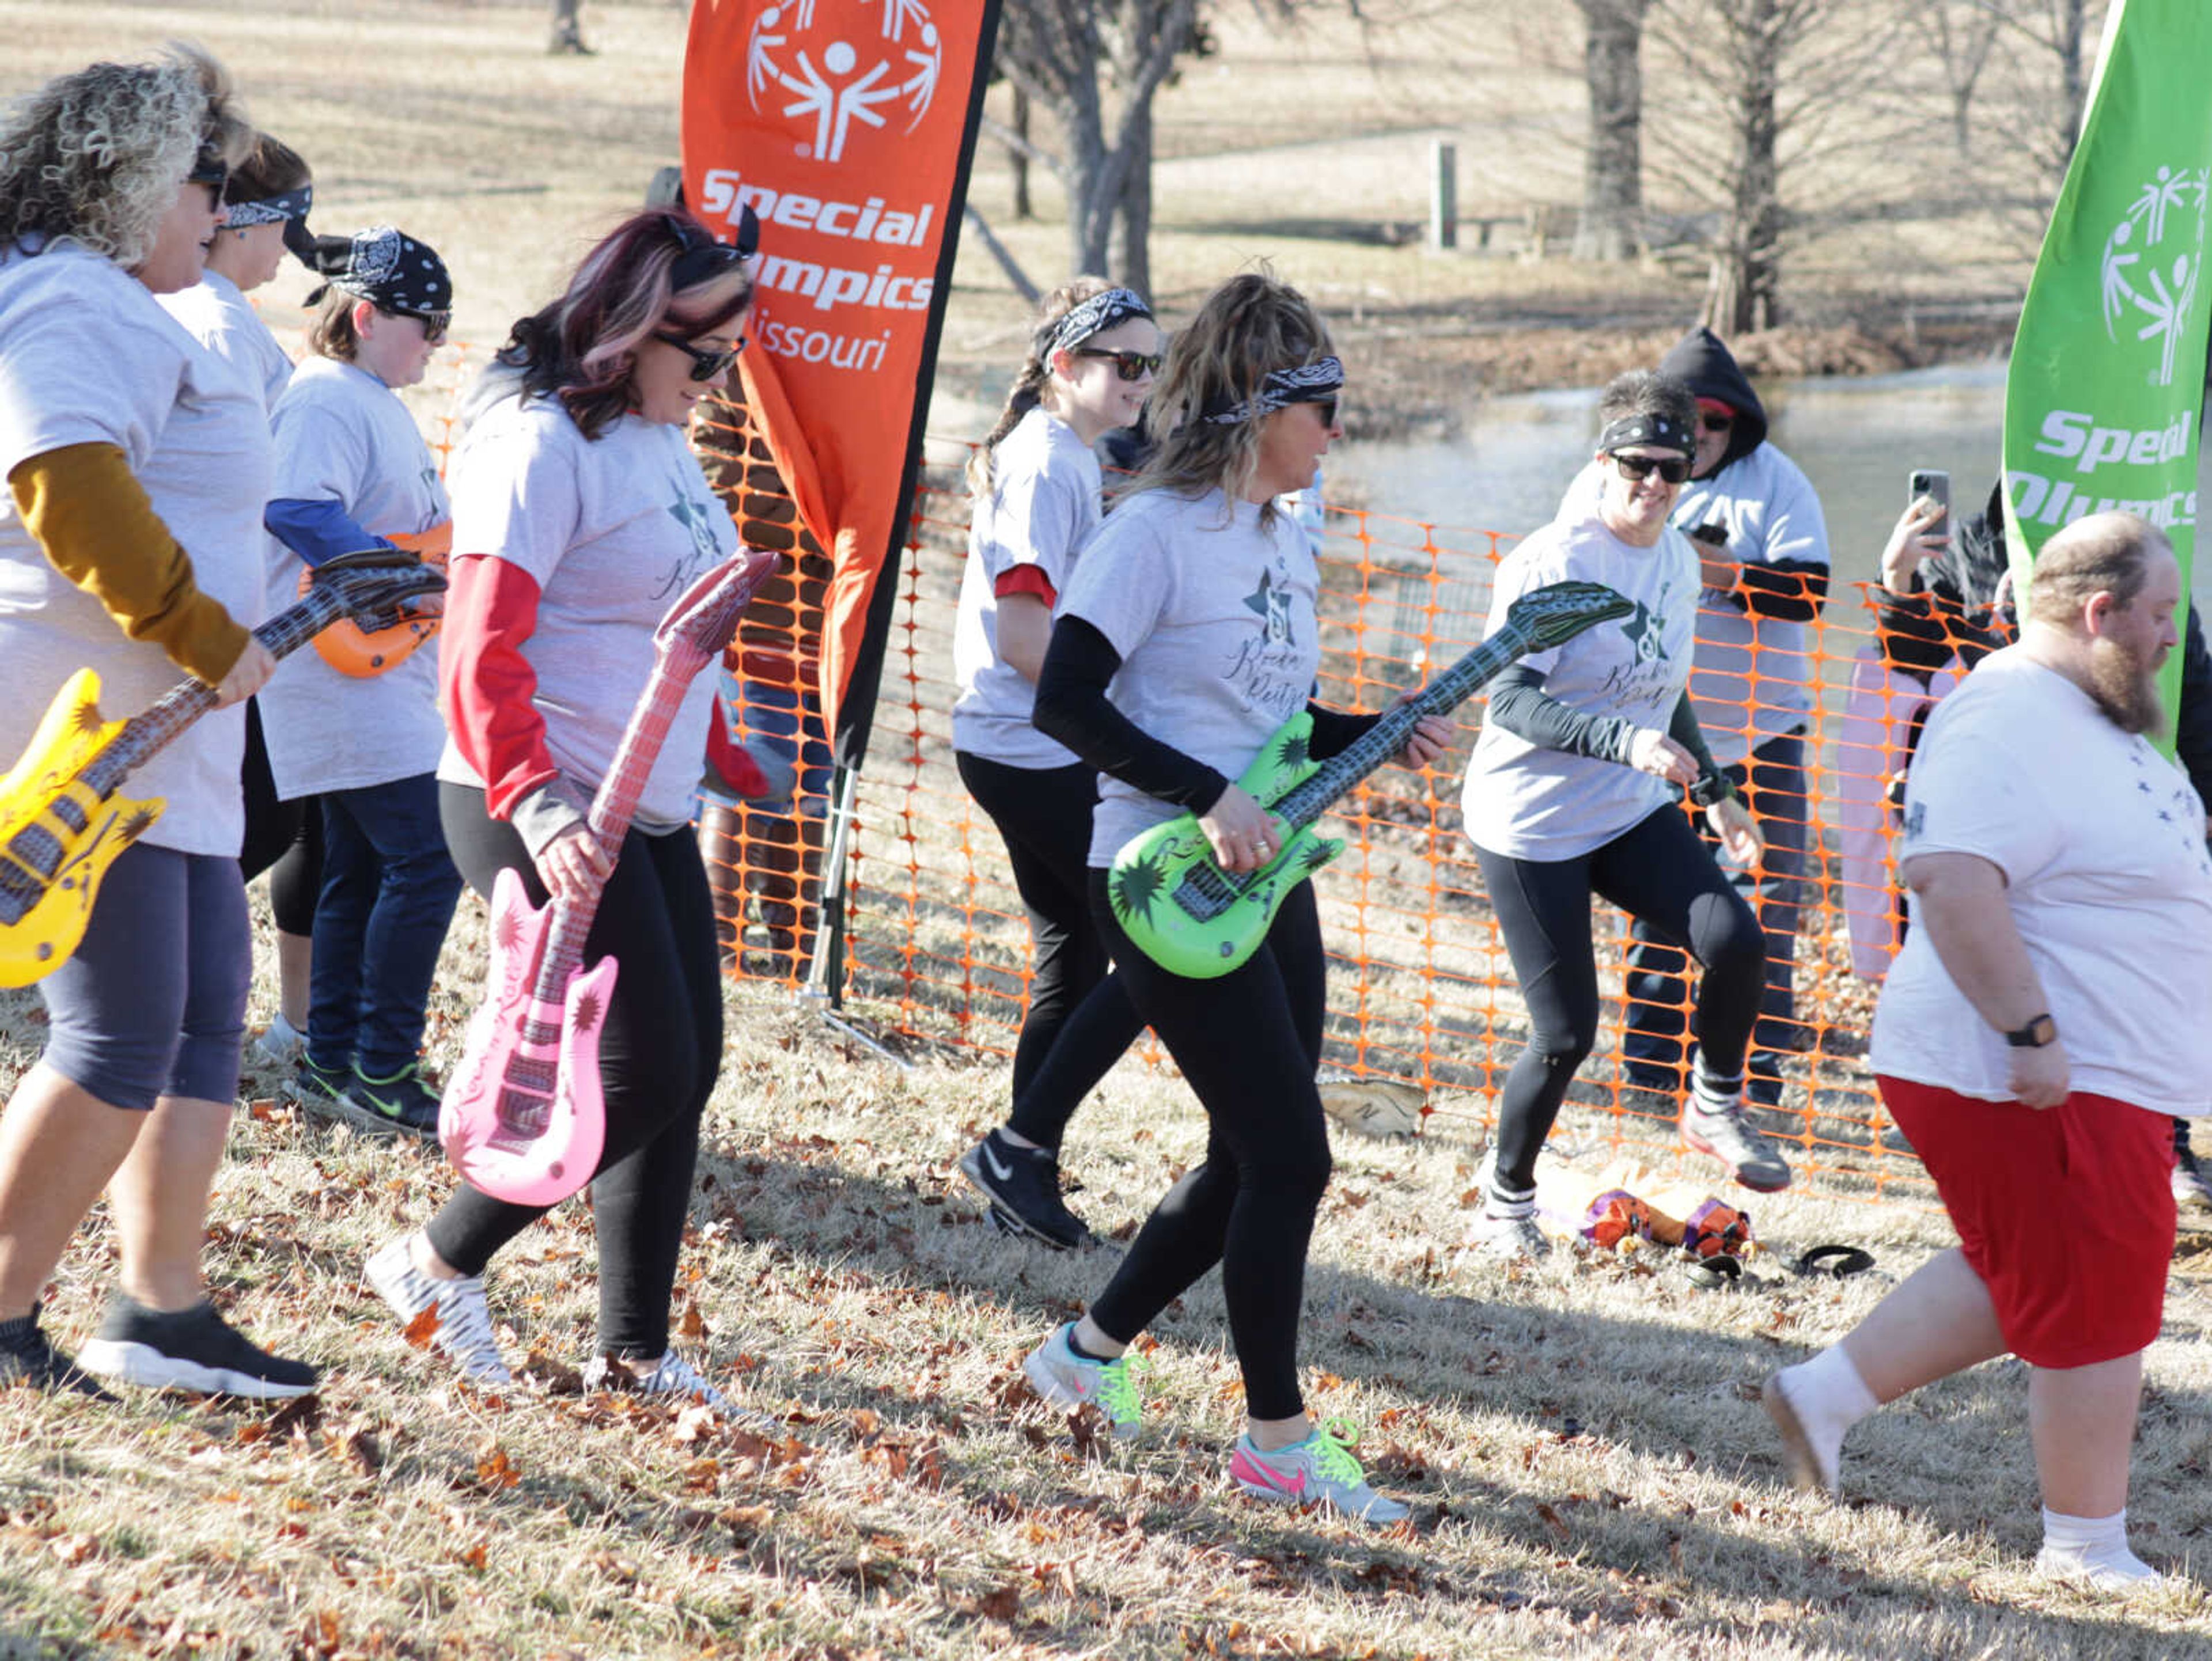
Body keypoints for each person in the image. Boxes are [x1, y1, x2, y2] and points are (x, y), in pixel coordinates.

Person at [1018, 271, 1450, 1523]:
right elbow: (1066, 701)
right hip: (1156, 881)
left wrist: (1369, 728)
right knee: (1291, 1154)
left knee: (1253, 1153)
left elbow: (1273, 714)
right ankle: (1275, 1440)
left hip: (1261, 880)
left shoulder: (1285, 531)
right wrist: (1206, 794)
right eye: (1323, 405)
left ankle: (1080, 1358)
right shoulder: (1154, 532)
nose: (1337, 430)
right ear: (1262, 406)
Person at [1763, 512, 2210, 1592]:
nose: (2170, 638)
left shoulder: (2090, 712)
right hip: (2032, 1066)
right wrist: (2033, 1033)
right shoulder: (2008, 714)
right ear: (2098, 613)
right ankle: (2083, 1547)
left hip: (2095, 1067)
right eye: (2159, 616)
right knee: (2101, 1286)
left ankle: (1823, 1394)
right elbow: (1954, 880)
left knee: (2036, 1266)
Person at [365, 208, 756, 1404]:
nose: (720, 382)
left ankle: (634, 1352)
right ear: (635, 331)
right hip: (530, 797)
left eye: (738, 358)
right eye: (706, 358)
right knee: (634, 1072)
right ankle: (436, 1260)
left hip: (642, 803)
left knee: (686, 1067)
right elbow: (479, 651)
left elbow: (668, 623)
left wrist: (732, 758)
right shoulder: (539, 445)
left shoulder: (658, 436)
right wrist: (537, 804)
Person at [0, 45, 315, 1397]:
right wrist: (204, 632)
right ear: (135, 181)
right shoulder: (79, 302)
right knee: (120, 1029)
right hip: (93, 731)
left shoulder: (124, 304)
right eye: (208, 186)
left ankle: (159, 1305)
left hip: (163, 731)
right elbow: (64, 481)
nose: (220, 212)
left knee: (191, 1011)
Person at [1460, 370, 1786, 1255]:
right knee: (1565, 1033)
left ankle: (1715, 1106)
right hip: (1529, 823)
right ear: (1602, 461)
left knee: (1736, 940)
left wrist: (1716, 796)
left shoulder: (1678, 559)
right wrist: (1624, 743)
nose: (1653, 485)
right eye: (1637, 465)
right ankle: (1506, 1201)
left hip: (1626, 807)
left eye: (1671, 471)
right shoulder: (1554, 562)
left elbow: (1665, 687)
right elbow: (1511, 706)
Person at [952, 278, 1162, 1249]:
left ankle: (1020, 1171)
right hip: (1030, 745)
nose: (1142, 382)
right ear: (1064, 365)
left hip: (1020, 744)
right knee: (1151, 950)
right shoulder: (1046, 463)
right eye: (1126, 364)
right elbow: (1025, 641)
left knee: (1073, 959)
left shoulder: (1064, 454)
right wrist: (1122, 721)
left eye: (1151, 365)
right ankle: (1018, 1152)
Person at [1570, 329, 1829, 1112]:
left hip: (1762, 732)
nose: (1704, 437)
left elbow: (1812, 593)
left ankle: (1754, 1080)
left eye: (1720, 423)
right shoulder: (1614, 478)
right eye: (1692, 423)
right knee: (1659, 909)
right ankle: (1651, 1076)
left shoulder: (1777, 484)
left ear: (1740, 424)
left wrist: (1719, 569)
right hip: (1650, 737)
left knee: (1765, 912)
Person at [258, 225, 464, 1136]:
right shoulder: (328, 399)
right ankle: (383, 1068)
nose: (441, 342)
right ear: (369, 315)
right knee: (430, 854)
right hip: (335, 675)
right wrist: (414, 579)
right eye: (429, 324)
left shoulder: (366, 392)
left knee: (361, 863)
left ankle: (333, 1058)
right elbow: (296, 508)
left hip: (366, 676)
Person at [156, 132, 321, 1063]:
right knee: (259, 814)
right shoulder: (222, 327)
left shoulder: (209, 313)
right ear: (246, 224)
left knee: (261, 813)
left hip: (227, 615)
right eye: (288, 230)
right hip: (222, 622)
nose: (289, 255)